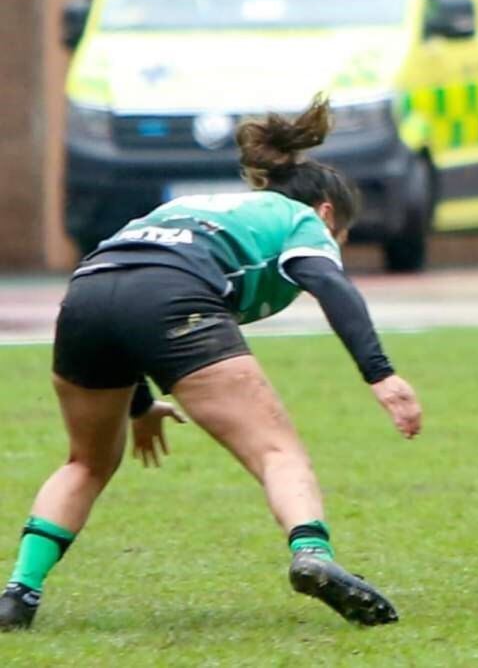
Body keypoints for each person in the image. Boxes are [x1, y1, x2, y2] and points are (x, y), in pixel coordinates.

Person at [0, 95, 422, 631]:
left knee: (86, 461)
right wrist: (380, 374)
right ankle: (312, 554)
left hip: (86, 293)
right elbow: (329, 284)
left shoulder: (195, 206)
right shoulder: (301, 220)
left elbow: (126, 292)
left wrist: (139, 403)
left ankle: (18, 593)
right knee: (276, 449)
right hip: (172, 297)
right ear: (328, 214)